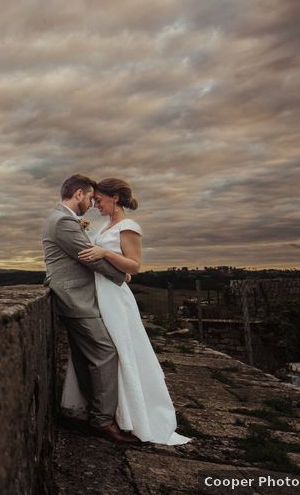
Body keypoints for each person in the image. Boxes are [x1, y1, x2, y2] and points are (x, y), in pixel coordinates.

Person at [74, 177, 191, 445]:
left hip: (114, 297)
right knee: (105, 350)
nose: (96, 205)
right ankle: (109, 410)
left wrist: (105, 254)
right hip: (100, 291)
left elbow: (135, 266)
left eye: (99, 200)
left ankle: (131, 415)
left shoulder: (128, 226)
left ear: (114, 197)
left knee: (121, 349)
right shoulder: (106, 225)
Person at [41, 174, 140, 443]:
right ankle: (102, 421)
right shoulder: (63, 221)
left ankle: (91, 412)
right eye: (90, 198)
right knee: (106, 352)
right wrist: (122, 276)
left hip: (76, 296)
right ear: (79, 194)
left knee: (87, 357)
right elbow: (88, 257)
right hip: (75, 298)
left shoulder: (61, 218)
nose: (91, 204)